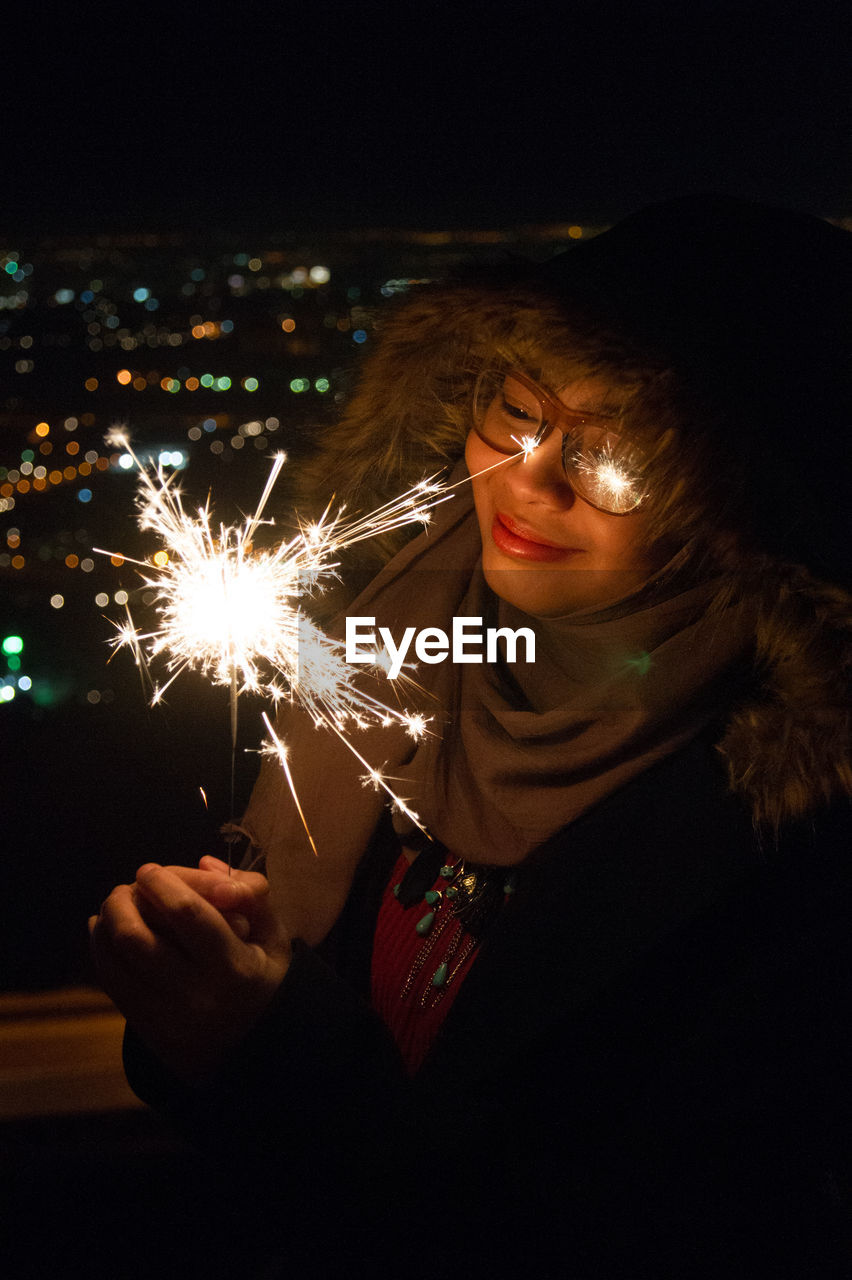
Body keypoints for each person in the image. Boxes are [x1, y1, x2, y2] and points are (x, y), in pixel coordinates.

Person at [90, 197, 852, 1278]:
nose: (531, 477)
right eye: (516, 408)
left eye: (619, 454)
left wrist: (272, 1048)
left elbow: (623, 1228)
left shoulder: (793, 834)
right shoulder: (381, 643)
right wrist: (203, 986)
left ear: (740, 506)